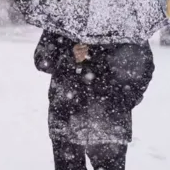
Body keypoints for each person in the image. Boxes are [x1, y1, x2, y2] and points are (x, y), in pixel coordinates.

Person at [34, 30, 155, 170]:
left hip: (110, 123)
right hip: (67, 119)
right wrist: (69, 55)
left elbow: (144, 67)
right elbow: (41, 59)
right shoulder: (63, 17)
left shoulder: (125, 22)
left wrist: (123, 101)